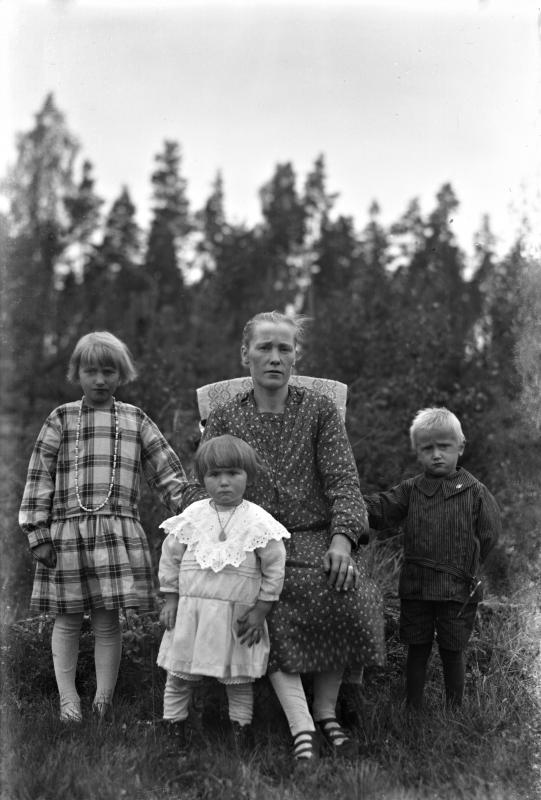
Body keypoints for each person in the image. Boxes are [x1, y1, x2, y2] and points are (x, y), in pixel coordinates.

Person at [188, 311, 385, 762]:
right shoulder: (226, 415)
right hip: (252, 542)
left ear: (296, 356)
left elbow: (343, 483)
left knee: (348, 591)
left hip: (314, 537)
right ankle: (301, 724)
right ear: (246, 355)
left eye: (284, 348)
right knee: (267, 599)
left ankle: (327, 711)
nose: (274, 357)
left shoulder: (319, 411)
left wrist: (342, 540)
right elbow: (201, 484)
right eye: (265, 348)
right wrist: (220, 528)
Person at [19, 331, 190, 723]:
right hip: (67, 535)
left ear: (121, 374)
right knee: (66, 618)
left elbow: (167, 472)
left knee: (107, 619)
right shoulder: (62, 418)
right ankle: (68, 701)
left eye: (108, 372)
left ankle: (103, 700)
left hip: (115, 535)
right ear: (77, 373)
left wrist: (195, 509)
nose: (99, 380)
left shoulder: (134, 419)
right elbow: (39, 476)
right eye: (90, 371)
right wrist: (37, 532)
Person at [157, 434, 289, 751]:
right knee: (179, 677)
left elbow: (275, 566)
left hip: (237, 618)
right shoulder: (192, 516)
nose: (224, 482)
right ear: (203, 479)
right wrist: (171, 599)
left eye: (233, 473)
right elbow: (170, 557)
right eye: (214, 475)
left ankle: (240, 734)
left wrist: (261, 611)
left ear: (248, 476)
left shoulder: (258, 521)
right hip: (191, 614)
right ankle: (173, 730)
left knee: (238, 680)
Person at [365, 407, 501, 710]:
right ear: (418, 452)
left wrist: (468, 565)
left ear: (460, 447)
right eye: (428, 448)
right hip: (417, 586)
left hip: (457, 589)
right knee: (417, 647)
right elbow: (382, 509)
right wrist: (351, 503)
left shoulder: (475, 492)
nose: (437, 455)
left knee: (453, 649)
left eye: (444, 447)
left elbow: (490, 534)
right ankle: (413, 707)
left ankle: (454, 710)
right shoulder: (411, 490)